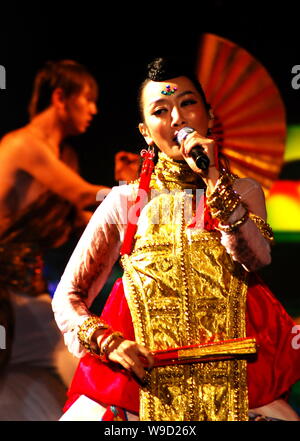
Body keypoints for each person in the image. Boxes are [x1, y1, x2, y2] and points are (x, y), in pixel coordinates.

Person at [52, 57, 300, 421]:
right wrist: (109, 342)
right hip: (142, 390)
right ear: (145, 132)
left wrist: (213, 177)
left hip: (234, 390)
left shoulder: (244, 192)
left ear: (209, 115)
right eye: (160, 110)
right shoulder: (127, 202)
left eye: (187, 103)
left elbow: (257, 258)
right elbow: (68, 296)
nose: (177, 119)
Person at [0, 59, 110, 420]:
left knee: (70, 383)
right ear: (61, 97)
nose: (94, 109)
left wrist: (124, 192)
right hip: (6, 292)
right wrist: (133, 194)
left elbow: (82, 221)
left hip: (26, 293)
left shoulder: (64, 156)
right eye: (87, 99)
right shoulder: (25, 145)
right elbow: (83, 196)